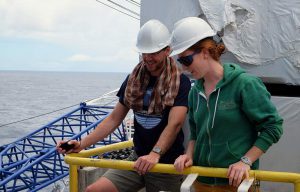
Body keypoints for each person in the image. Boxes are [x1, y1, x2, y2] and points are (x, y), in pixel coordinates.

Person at [57, 19, 191, 192]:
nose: (148, 58)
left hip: (165, 165)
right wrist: (81, 144)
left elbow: (175, 124)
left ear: (167, 51)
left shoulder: (181, 82)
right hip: (137, 158)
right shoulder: (133, 80)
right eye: (144, 52)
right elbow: (114, 119)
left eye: (154, 52)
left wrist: (155, 154)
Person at [170, 17, 283, 191]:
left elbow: (273, 127)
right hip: (201, 181)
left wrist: (245, 161)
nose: (183, 68)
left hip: (237, 183)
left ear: (205, 52)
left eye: (186, 60)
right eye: (180, 62)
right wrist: (189, 155)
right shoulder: (195, 92)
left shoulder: (244, 84)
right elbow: (195, 133)